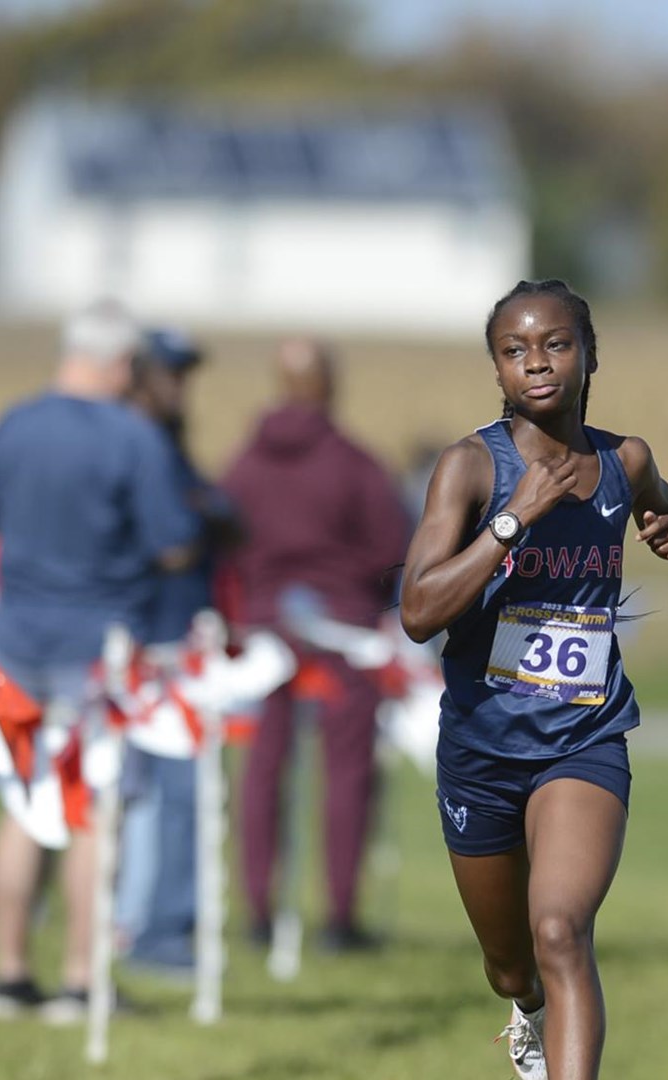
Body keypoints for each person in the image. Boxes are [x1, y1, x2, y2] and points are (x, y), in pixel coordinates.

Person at [399, 279, 668, 1080]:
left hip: (583, 738)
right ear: (497, 369)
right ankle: (526, 1011)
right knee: (510, 966)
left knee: (561, 930)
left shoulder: (624, 460)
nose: (536, 363)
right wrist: (513, 519)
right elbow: (418, 612)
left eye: (556, 344)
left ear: (590, 355)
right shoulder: (470, 468)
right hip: (481, 748)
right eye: (514, 350)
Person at [0, 301, 199, 1022]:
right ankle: (80, 979)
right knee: (94, 809)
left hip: (16, 638)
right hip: (99, 644)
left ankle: (9, 974)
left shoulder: (12, 424)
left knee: (22, 804)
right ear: (122, 364)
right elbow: (173, 543)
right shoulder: (132, 437)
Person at [220, 338, 411, 951]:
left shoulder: (243, 466)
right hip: (343, 627)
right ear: (329, 385)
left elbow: (221, 541)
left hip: (263, 627)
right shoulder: (355, 464)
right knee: (347, 770)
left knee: (263, 765)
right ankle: (339, 918)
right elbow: (393, 548)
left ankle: (259, 910)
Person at [115, 327, 237, 974]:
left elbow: (218, 514)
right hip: (148, 645)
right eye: (171, 374)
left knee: (158, 796)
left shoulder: (167, 445)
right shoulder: (137, 444)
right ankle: (156, 933)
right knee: (169, 794)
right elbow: (176, 540)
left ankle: (142, 925)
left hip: (173, 639)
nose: (181, 388)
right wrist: (201, 518)